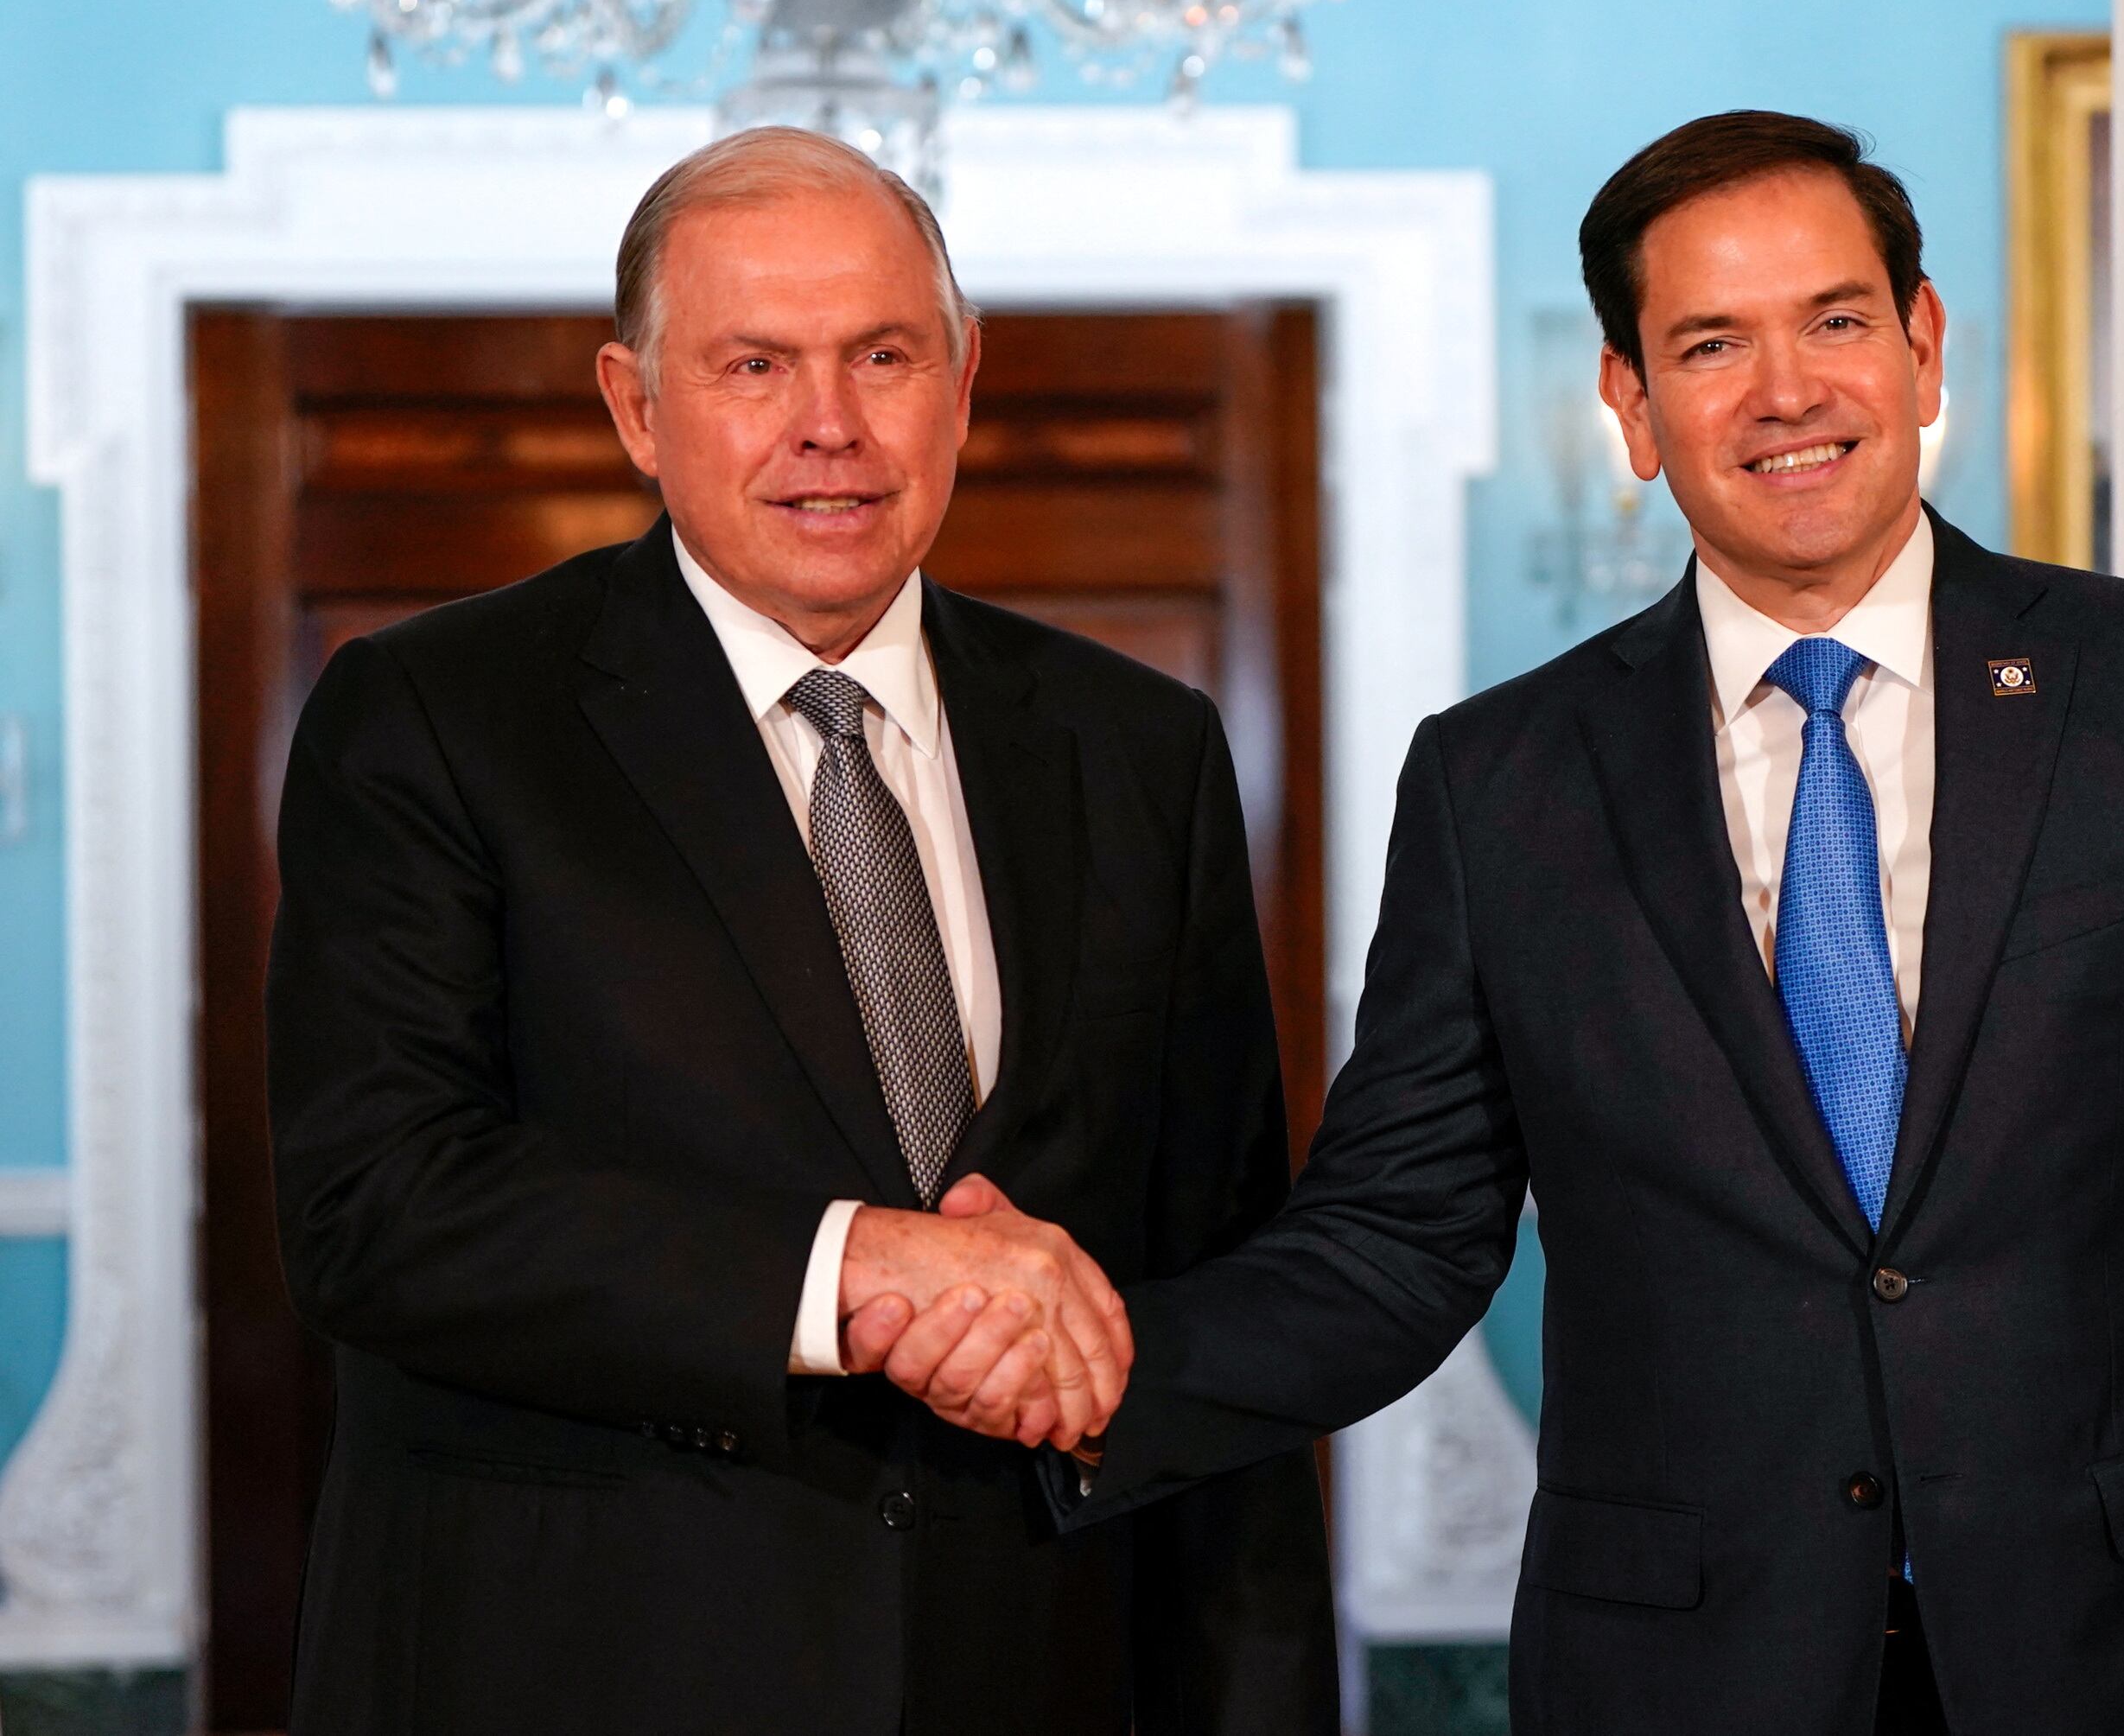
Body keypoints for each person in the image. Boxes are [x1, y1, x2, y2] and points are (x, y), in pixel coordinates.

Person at [976, 111, 2124, 1733]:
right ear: (1629, 404)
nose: (1786, 392)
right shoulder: (1501, 781)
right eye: (1709, 344)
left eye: (1836, 321)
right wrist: (1096, 1353)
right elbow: (1399, 1242)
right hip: (1684, 1672)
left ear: (1920, 346)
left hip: (2122, 1657)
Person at [267, 125, 1333, 1735]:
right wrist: (858, 1271)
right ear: (635, 406)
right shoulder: (434, 716)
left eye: (882, 357)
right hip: (579, 1668)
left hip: (1025, 1668)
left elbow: (1212, 1280)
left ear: (963, 383)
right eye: (753, 364)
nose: (827, 428)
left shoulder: (1140, 747)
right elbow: (379, 1205)